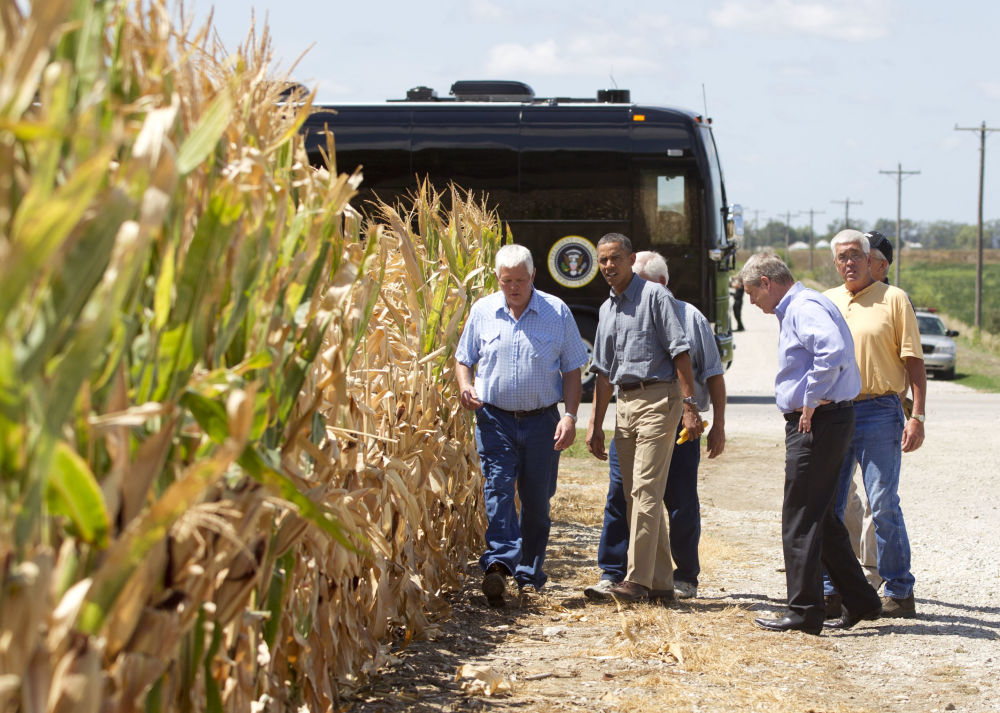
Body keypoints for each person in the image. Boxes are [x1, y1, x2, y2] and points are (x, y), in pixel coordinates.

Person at [740, 252, 881, 635]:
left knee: (800, 514)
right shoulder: (806, 304)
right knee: (820, 515)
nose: (752, 302)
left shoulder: (802, 307)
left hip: (818, 420)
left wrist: (810, 398)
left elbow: (831, 351)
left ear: (767, 282)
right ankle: (863, 600)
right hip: (827, 418)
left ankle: (803, 611)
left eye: (753, 293)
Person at [584, 251, 726, 602]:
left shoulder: (684, 313)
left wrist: (699, 413)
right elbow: (603, 371)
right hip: (627, 403)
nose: (610, 268)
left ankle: (643, 580)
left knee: (666, 496)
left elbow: (701, 368)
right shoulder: (610, 308)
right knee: (630, 493)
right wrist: (595, 423)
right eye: (603, 260)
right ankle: (659, 582)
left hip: (666, 406)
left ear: (661, 285)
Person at [456, 244, 588, 606]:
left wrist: (570, 416)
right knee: (497, 490)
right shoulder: (483, 311)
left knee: (536, 501)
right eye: (506, 281)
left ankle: (530, 574)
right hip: (494, 419)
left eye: (520, 280)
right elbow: (464, 359)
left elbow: (573, 369)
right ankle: (499, 564)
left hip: (541, 421)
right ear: (497, 279)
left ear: (533, 277)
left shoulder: (556, 312)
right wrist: (466, 386)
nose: (513, 287)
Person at [822, 229, 925, 618]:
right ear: (835, 263)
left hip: (880, 410)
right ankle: (831, 590)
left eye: (855, 256)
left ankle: (899, 590)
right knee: (830, 506)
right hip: (836, 411)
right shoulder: (828, 301)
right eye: (841, 257)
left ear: (870, 260)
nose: (849, 262)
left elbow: (914, 361)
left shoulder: (894, 299)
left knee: (882, 503)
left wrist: (917, 416)